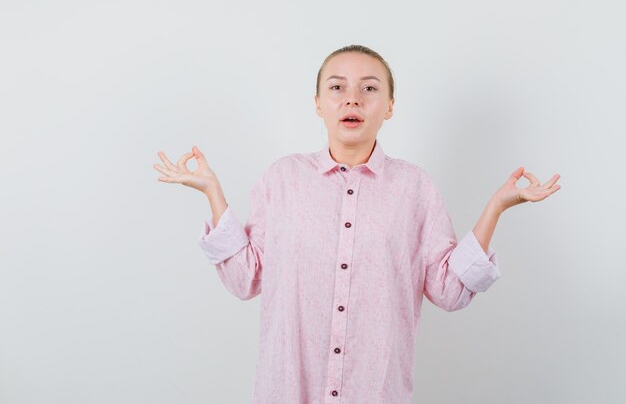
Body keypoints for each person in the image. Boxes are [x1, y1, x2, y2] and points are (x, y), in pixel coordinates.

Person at [153, 44, 561, 404]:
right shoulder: (283, 178)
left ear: (389, 106)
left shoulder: (414, 188)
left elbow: (449, 291)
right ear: (317, 103)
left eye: (369, 88)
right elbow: (245, 280)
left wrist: (498, 205)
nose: (353, 99)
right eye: (337, 87)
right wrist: (212, 192)